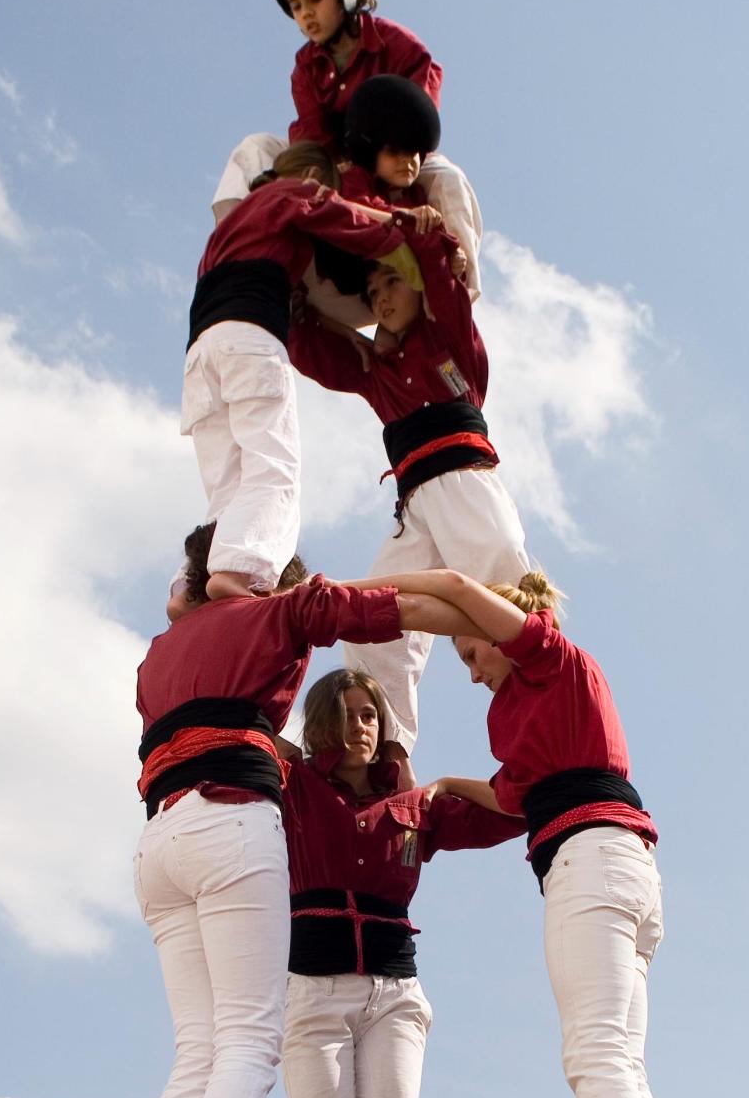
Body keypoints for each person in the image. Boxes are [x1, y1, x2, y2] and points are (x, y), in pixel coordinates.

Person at [118, 529, 489, 1098]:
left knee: (199, 1051)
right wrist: (490, 617)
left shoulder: (160, 653)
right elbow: (388, 614)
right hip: (231, 830)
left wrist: (432, 785)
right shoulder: (277, 619)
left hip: (162, 834)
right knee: (247, 1043)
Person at [358, 565, 700, 1098]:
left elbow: (454, 586)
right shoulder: (521, 709)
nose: (471, 674)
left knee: (593, 1050)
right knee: (621, 1060)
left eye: (470, 653)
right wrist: (447, 785)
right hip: (617, 866)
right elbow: (512, 800)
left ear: (497, 632)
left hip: (591, 862)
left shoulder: (552, 661)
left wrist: (342, 595)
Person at [279, 670, 520, 1098]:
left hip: (395, 993)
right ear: (322, 723)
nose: (360, 726)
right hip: (317, 993)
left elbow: (516, 806)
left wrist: (445, 784)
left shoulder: (413, 808)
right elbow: (247, 727)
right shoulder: (294, 785)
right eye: (347, 714)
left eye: (369, 715)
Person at [286, 227, 530, 755]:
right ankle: (391, 754)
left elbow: (441, 280)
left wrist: (421, 234)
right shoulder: (376, 371)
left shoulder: (448, 339)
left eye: (391, 283)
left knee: (507, 588)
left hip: (466, 485)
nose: (381, 298)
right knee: (370, 626)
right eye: (373, 293)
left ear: (417, 284)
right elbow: (318, 355)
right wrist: (293, 308)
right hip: (415, 508)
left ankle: (544, 701)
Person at [183, 144, 438, 604]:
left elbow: (298, 305)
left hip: (202, 352)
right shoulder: (292, 192)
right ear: (313, 177)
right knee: (274, 467)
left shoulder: (232, 227)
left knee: (228, 484)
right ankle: (240, 573)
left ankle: (189, 588)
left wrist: (341, 331)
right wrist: (404, 223)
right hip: (250, 341)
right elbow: (342, 216)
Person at [211, 0, 478, 296]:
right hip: (338, 169)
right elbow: (313, 138)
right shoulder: (305, 68)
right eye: (296, 6)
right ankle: (238, 258)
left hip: (398, 163)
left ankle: (457, 288)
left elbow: (419, 122)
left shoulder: (399, 45)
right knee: (255, 147)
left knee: (448, 176)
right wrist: (321, 173)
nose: (306, 14)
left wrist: (380, 162)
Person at [337, 75, 483, 302]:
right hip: (357, 276)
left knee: (450, 178)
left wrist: (452, 253)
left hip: (404, 285)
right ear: (370, 153)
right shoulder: (356, 178)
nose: (407, 161)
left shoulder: (416, 194)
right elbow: (354, 209)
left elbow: (427, 234)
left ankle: (463, 291)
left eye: (413, 152)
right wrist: (405, 217)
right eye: (394, 152)